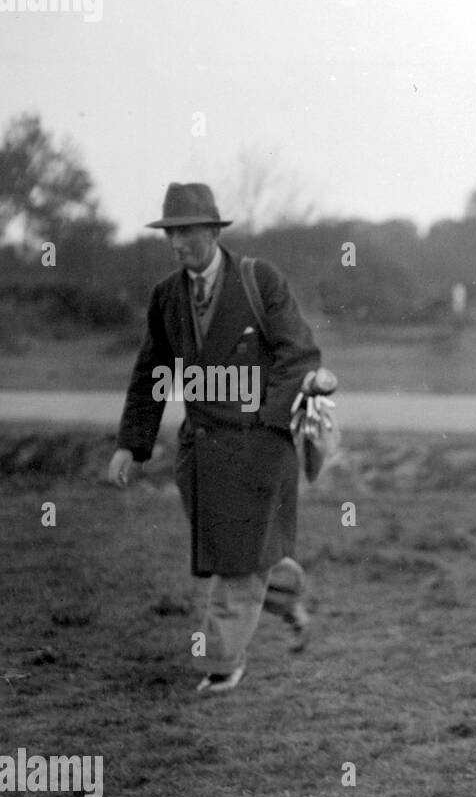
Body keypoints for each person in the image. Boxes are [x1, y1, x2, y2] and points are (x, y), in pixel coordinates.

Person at [108, 183, 321, 694]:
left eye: (186, 232)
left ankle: (224, 664)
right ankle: (287, 594)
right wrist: (130, 444)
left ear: (212, 231)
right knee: (236, 550)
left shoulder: (258, 280)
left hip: (260, 449)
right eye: (170, 234)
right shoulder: (166, 297)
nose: (178, 244)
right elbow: (151, 373)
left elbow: (301, 353)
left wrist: (268, 421)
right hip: (200, 455)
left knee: (235, 561)